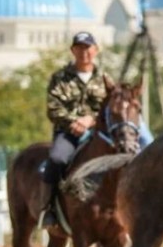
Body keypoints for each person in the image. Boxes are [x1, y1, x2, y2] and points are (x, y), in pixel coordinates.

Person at [40, 31, 111, 227]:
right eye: (79, 48)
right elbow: (53, 108)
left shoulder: (105, 79)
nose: (84, 52)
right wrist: (74, 122)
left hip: (99, 133)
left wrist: (91, 120)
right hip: (68, 133)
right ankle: (49, 208)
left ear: (95, 50)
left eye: (87, 47)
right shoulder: (60, 77)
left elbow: (111, 109)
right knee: (57, 159)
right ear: (73, 50)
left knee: (123, 160)